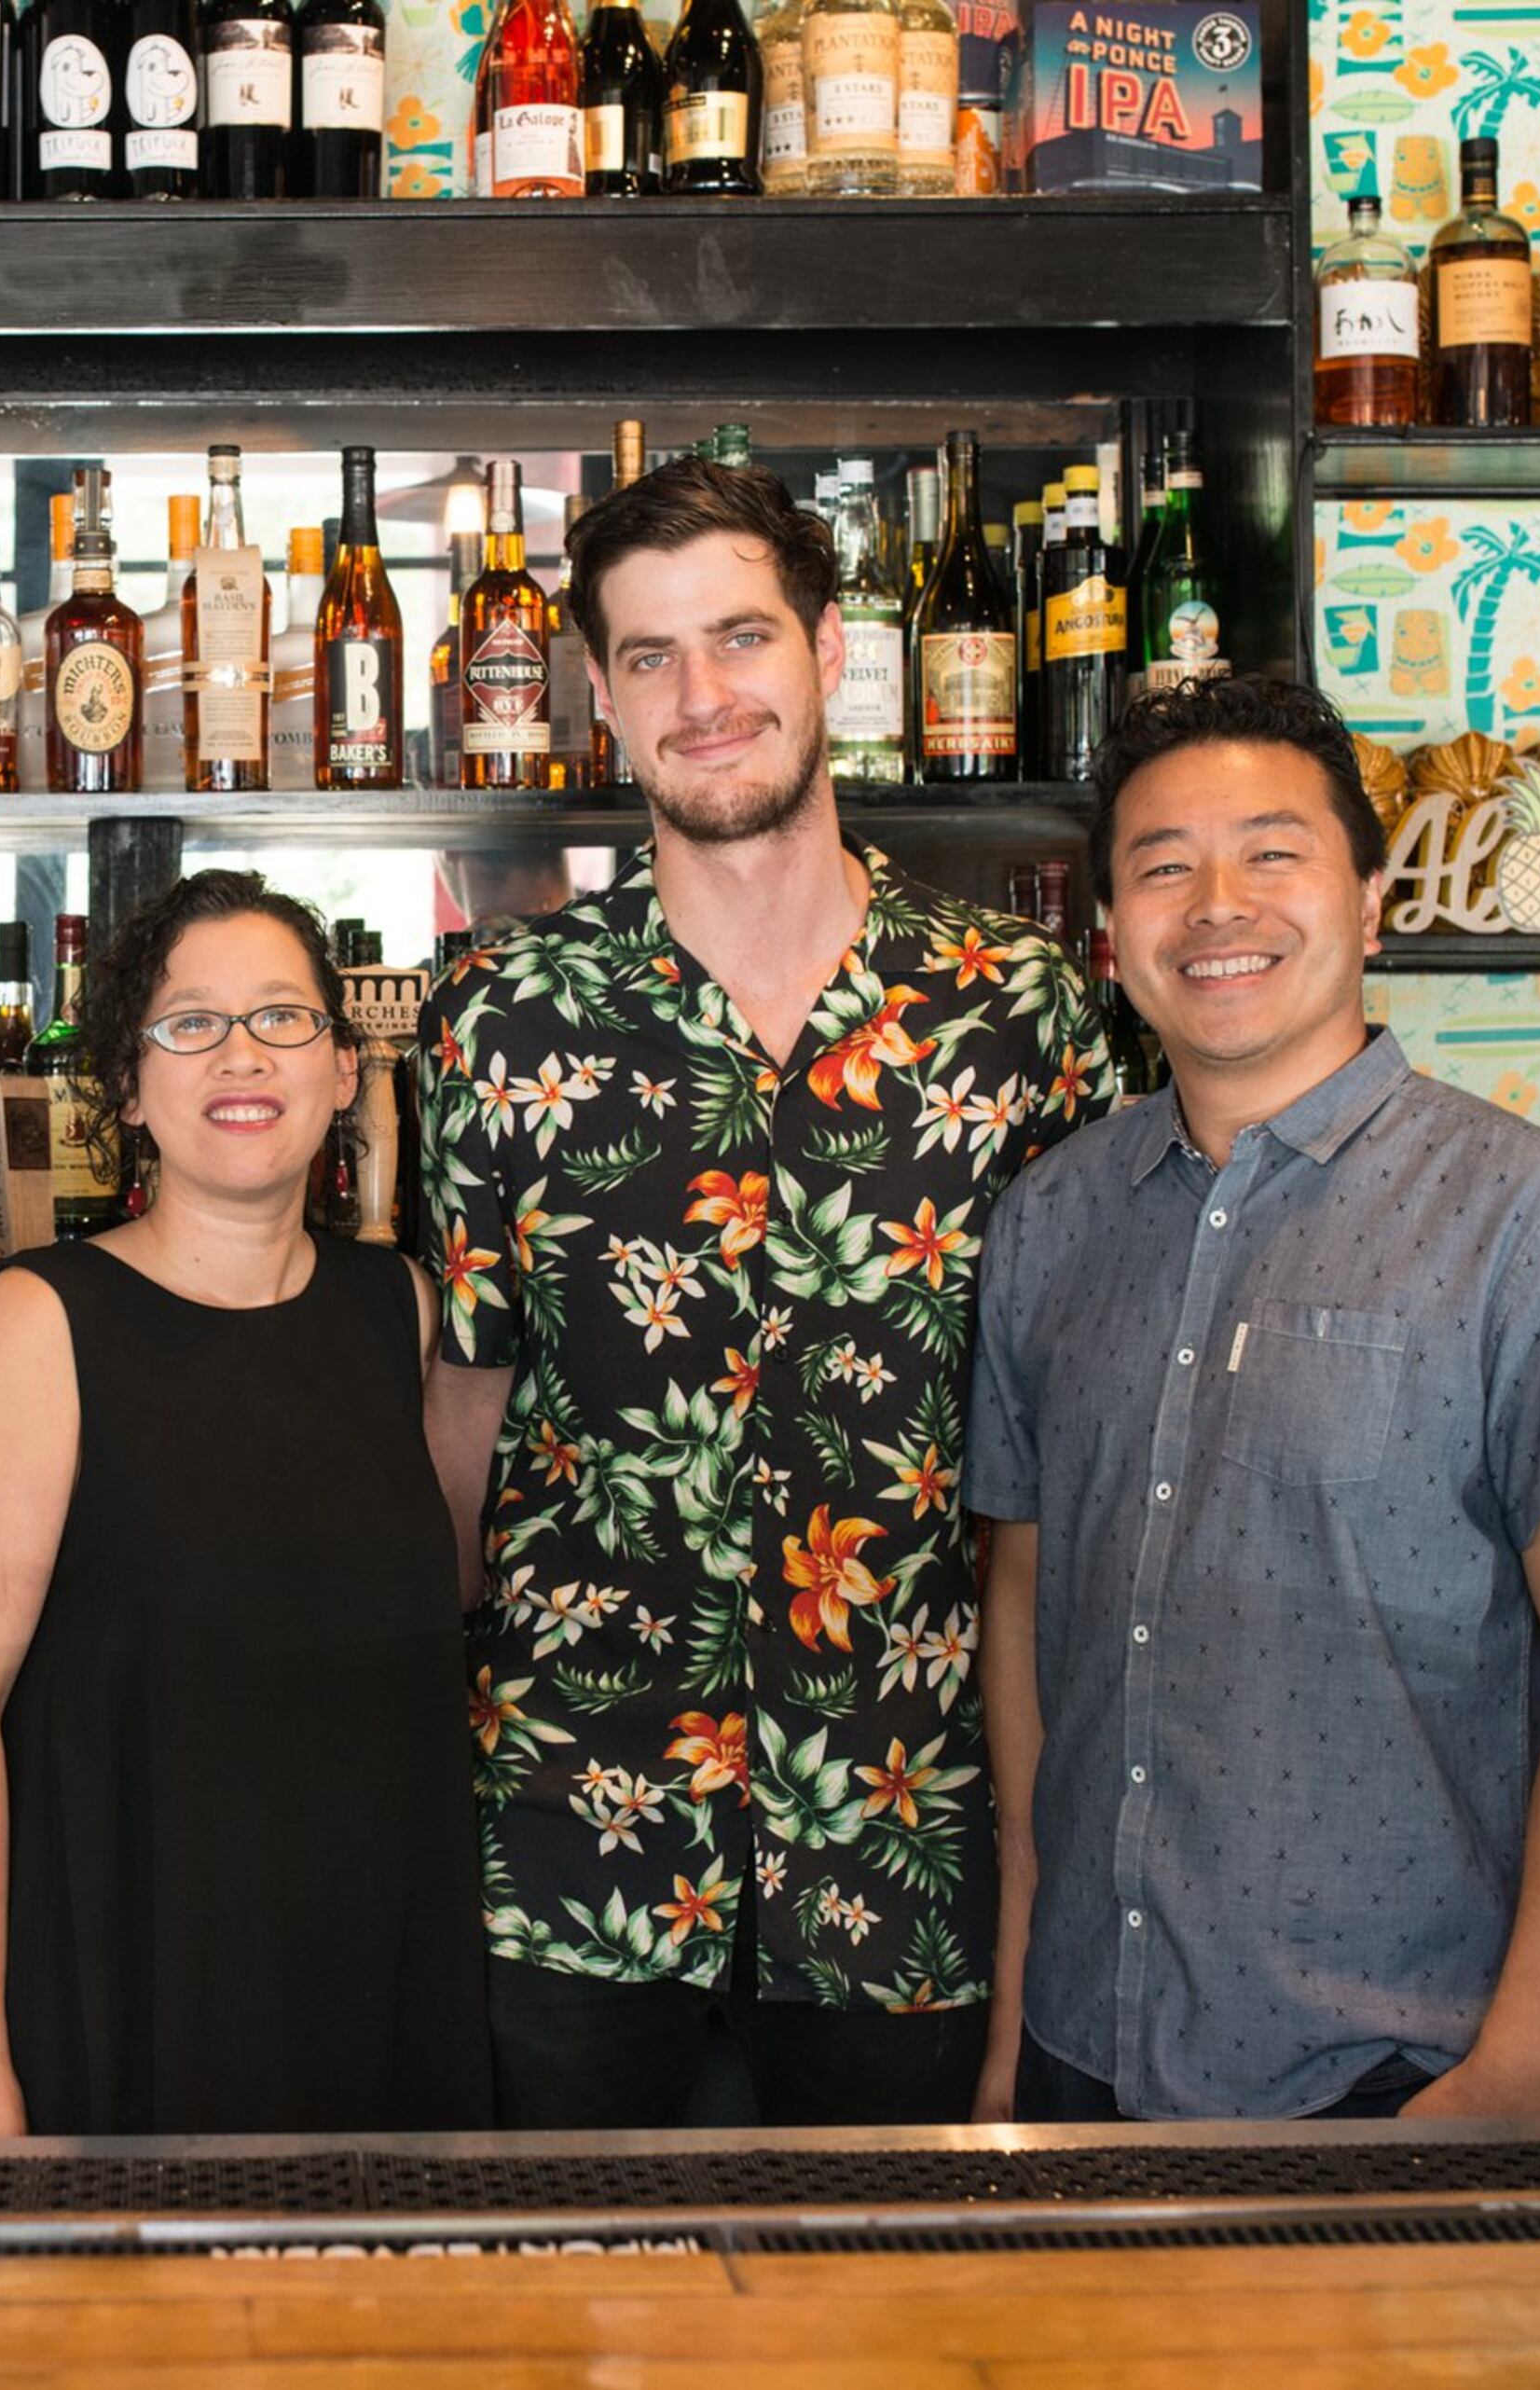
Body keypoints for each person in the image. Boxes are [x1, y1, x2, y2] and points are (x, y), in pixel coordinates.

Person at [418, 458, 1113, 2130]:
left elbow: (1071, 1442)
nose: (703, 696)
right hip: (576, 1840)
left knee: (897, 2345)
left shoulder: (1010, 1011)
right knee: (573, 2336)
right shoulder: (501, 1015)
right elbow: (468, 1402)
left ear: (825, 652)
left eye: (741, 638)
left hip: (912, 1842)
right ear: (598, 694)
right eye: (650, 657)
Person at [968, 676, 1540, 2123]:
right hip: (1080, 2055)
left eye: (1272, 853)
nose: (1216, 905)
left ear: (1371, 900)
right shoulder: (1050, 1223)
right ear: (1112, 938)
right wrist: (1009, 2032)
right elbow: (1027, 1624)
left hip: (1390, 2078)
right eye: (1163, 866)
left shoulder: (1529, 1216)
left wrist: (1523, 2066)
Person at [0, 871, 492, 2138]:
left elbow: (445, 1616)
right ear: (126, 1085)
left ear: (343, 1072)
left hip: (382, 1979)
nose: (244, 1055)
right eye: (191, 1025)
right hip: (136, 1986)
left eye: (284, 1019)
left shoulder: (404, 1313)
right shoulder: (39, 1322)